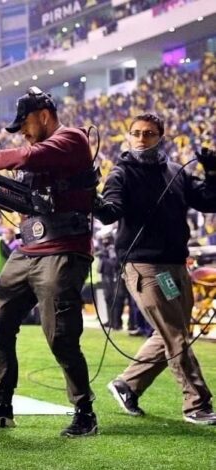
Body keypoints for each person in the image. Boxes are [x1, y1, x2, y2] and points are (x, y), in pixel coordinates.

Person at [0, 87, 99, 437]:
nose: (22, 132)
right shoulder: (37, 154)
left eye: (25, 124)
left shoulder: (72, 138)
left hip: (64, 248)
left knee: (60, 334)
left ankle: (85, 412)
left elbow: (31, 156)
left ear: (44, 115)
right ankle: (1, 404)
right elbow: (27, 199)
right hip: (29, 249)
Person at [95, 113, 216, 425]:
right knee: (175, 334)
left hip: (175, 264)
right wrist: (88, 194)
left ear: (160, 136)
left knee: (174, 333)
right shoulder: (121, 173)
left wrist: (213, 172)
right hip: (144, 265)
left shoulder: (177, 172)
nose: (141, 138)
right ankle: (197, 403)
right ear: (128, 135)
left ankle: (127, 385)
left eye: (148, 133)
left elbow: (209, 202)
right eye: (136, 132)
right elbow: (109, 213)